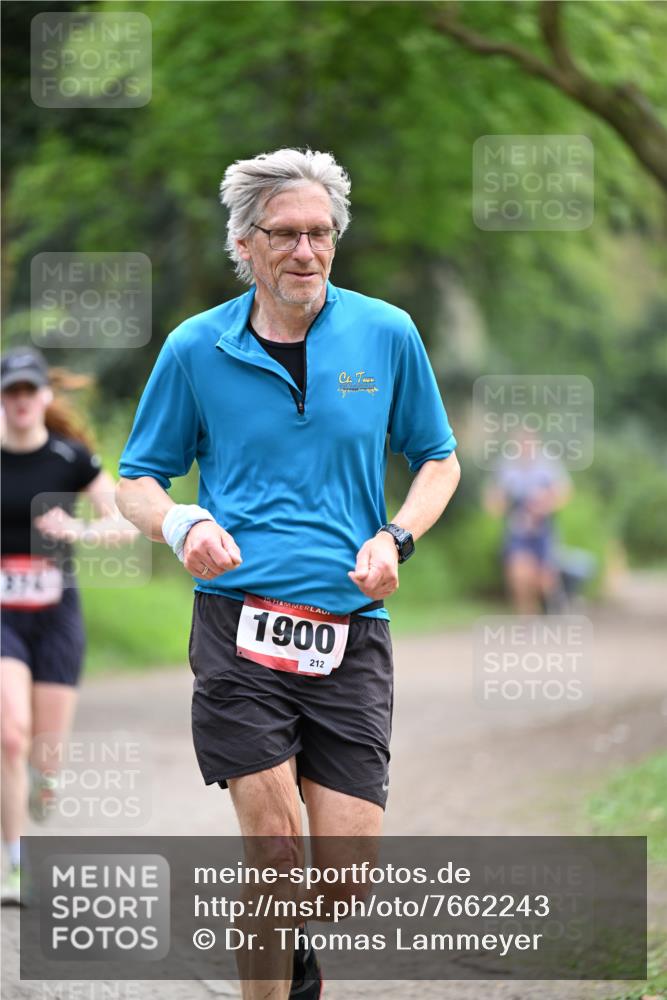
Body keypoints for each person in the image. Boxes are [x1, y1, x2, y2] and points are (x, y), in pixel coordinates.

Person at [116, 147, 461, 999]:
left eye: (321, 234)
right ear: (245, 244)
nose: (305, 251)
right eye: (285, 235)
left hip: (349, 629)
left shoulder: (386, 333)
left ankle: (289, 939)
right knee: (272, 853)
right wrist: (182, 522)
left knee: (341, 876)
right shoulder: (197, 348)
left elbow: (439, 461)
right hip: (238, 626)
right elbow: (135, 482)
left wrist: (396, 538)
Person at [1, 346, 136, 904]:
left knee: (44, 753)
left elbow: (124, 523)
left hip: (56, 616)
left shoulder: (72, 457)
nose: (22, 400)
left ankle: (45, 780)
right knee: (11, 735)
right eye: (11, 390)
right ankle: (14, 863)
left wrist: (76, 533)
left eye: (31, 390)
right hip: (3, 614)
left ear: (46, 397)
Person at [484, 431, 572, 613]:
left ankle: (553, 604)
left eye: (528, 442)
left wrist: (544, 504)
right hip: (517, 531)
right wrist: (500, 506)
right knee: (518, 574)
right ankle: (526, 617)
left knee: (545, 579)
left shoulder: (548, 466)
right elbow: (493, 498)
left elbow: (564, 492)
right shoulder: (506, 467)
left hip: (544, 531)